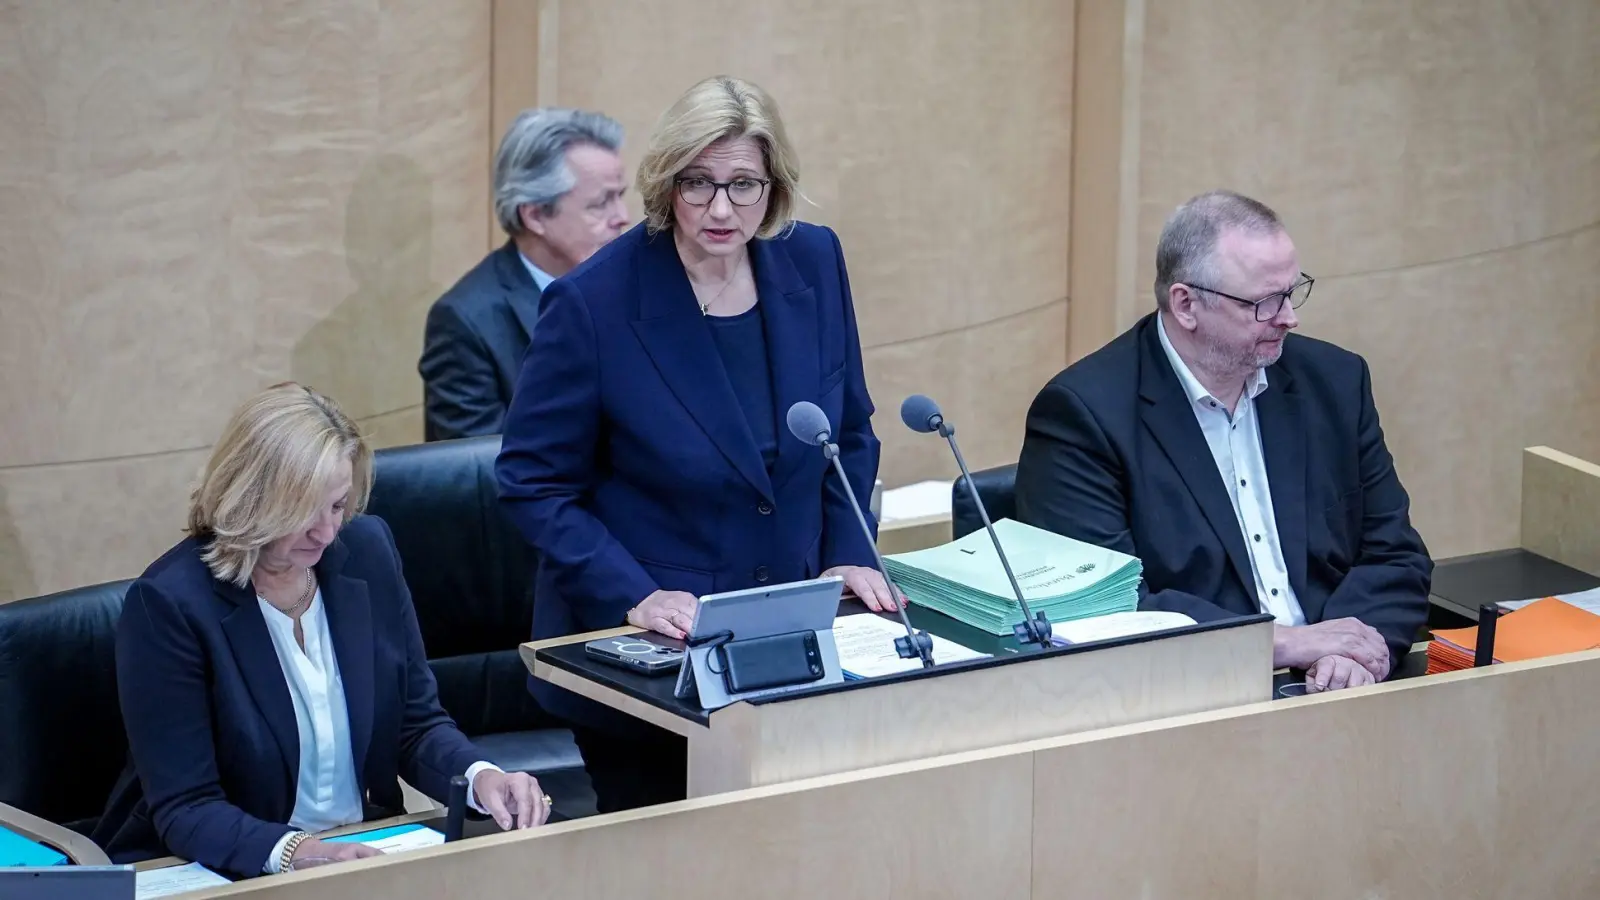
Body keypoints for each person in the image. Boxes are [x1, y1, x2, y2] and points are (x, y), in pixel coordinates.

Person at [495, 75, 894, 811]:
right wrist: (634, 594)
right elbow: (532, 483)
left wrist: (848, 553)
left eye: (744, 185)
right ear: (665, 181)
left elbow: (847, 431)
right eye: (699, 183)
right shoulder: (594, 304)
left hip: (789, 643)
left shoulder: (813, 260)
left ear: (774, 188)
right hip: (653, 664)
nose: (720, 208)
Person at [93, 384, 550, 877]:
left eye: (336, 506)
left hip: (360, 853)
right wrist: (301, 852)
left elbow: (415, 725)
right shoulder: (169, 604)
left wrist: (481, 776)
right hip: (235, 867)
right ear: (251, 498)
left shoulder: (368, 551)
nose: (327, 532)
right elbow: (188, 807)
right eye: (304, 511)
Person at [1015, 190, 1432, 692]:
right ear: (1186, 304)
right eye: (1263, 302)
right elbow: (1106, 605)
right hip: (1192, 700)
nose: (1289, 317)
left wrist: (1351, 654)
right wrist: (1284, 644)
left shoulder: (1335, 383)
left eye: (1292, 291)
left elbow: (1395, 555)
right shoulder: (1084, 414)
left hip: (1341, 687)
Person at [419, 108, 629, 441]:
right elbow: (479, 475)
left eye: (621, 196)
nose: (623, 217)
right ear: (535, 216)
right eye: (601, 203)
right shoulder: (466, 322)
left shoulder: (635, 282)